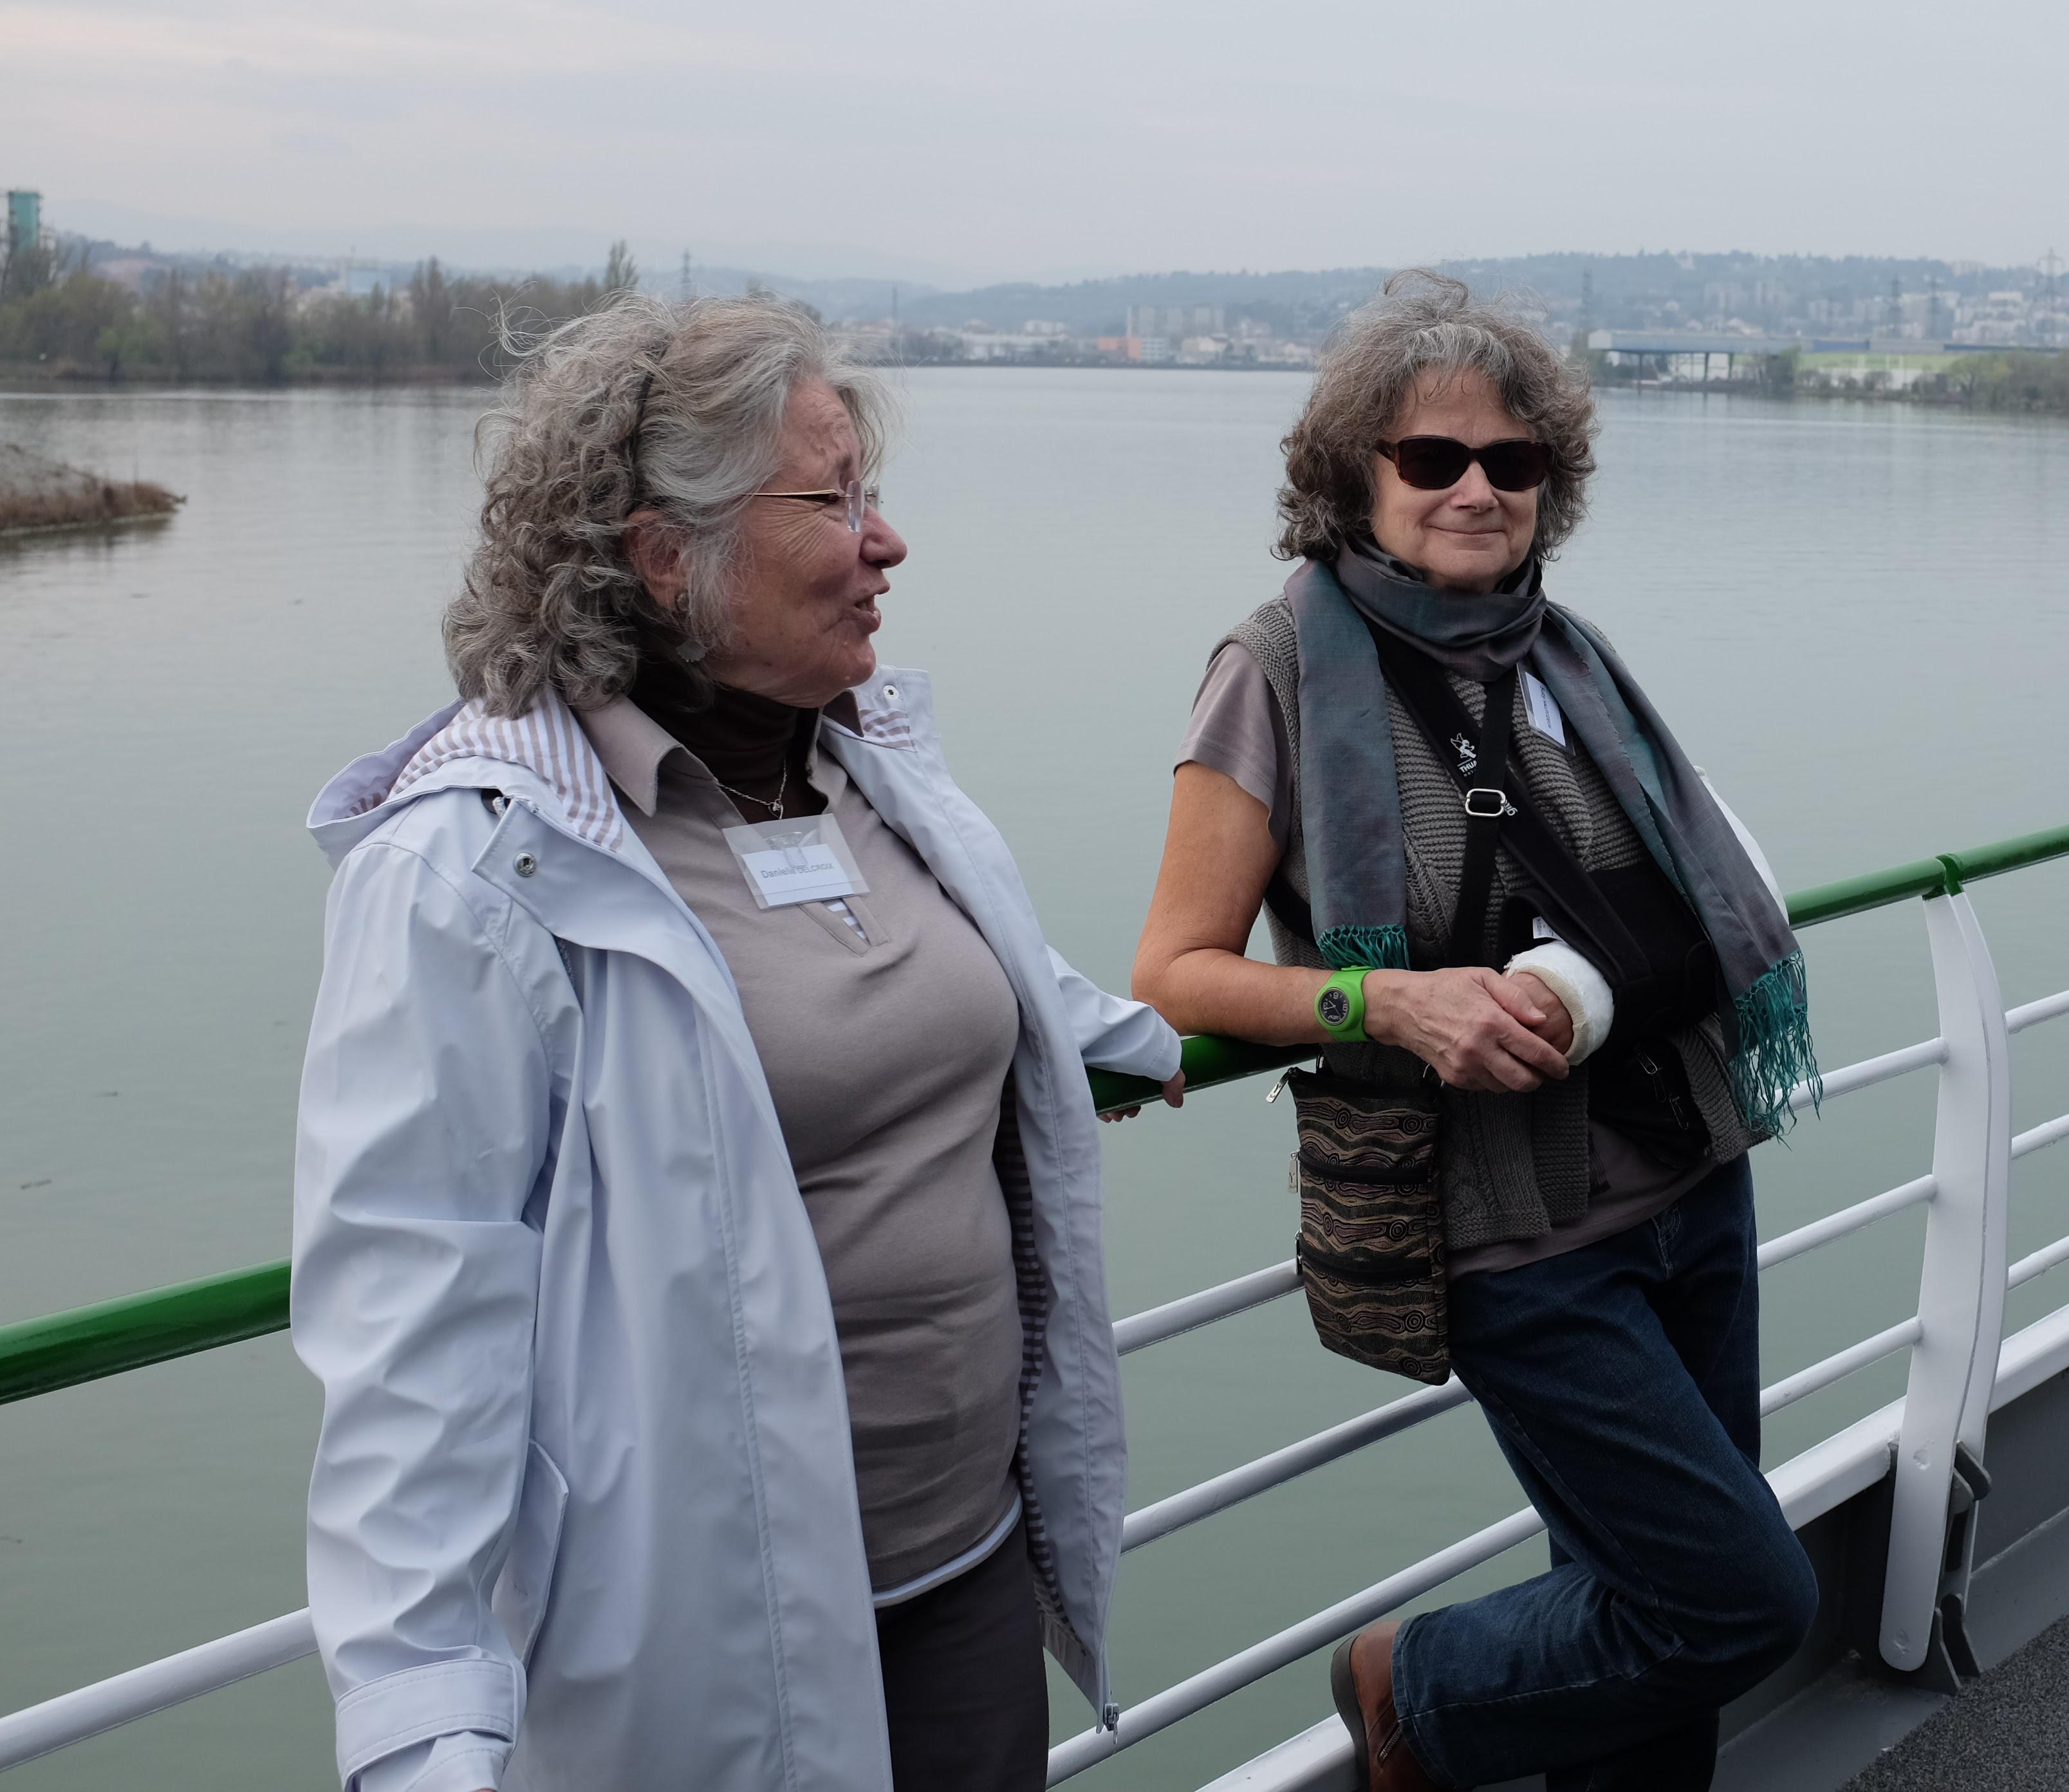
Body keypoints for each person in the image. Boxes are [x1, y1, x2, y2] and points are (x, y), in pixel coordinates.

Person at [292, 293, 1183, 1792]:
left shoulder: (864, 773)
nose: (887, 543)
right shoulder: (475, 867)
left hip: (967, 1562)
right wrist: (422, 1736)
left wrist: (1125, 1034)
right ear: (665, 553)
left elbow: (967, 969)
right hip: (711, 1635)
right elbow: (412, 1317)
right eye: (832, 502)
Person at [1131, 272, 1819, 1791]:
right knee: (1735, 1598)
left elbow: (1686, 893)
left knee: (1654, 1614)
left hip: (1693, 1176)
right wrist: (1385, 1001)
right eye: (1433, 457)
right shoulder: (1274, 674)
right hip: (1517, 1236)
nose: (1477, 489)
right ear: (1354, 478)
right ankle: (1412, 1686)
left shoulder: (1566, 655)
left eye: (1513, 461)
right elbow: (1174, 975)